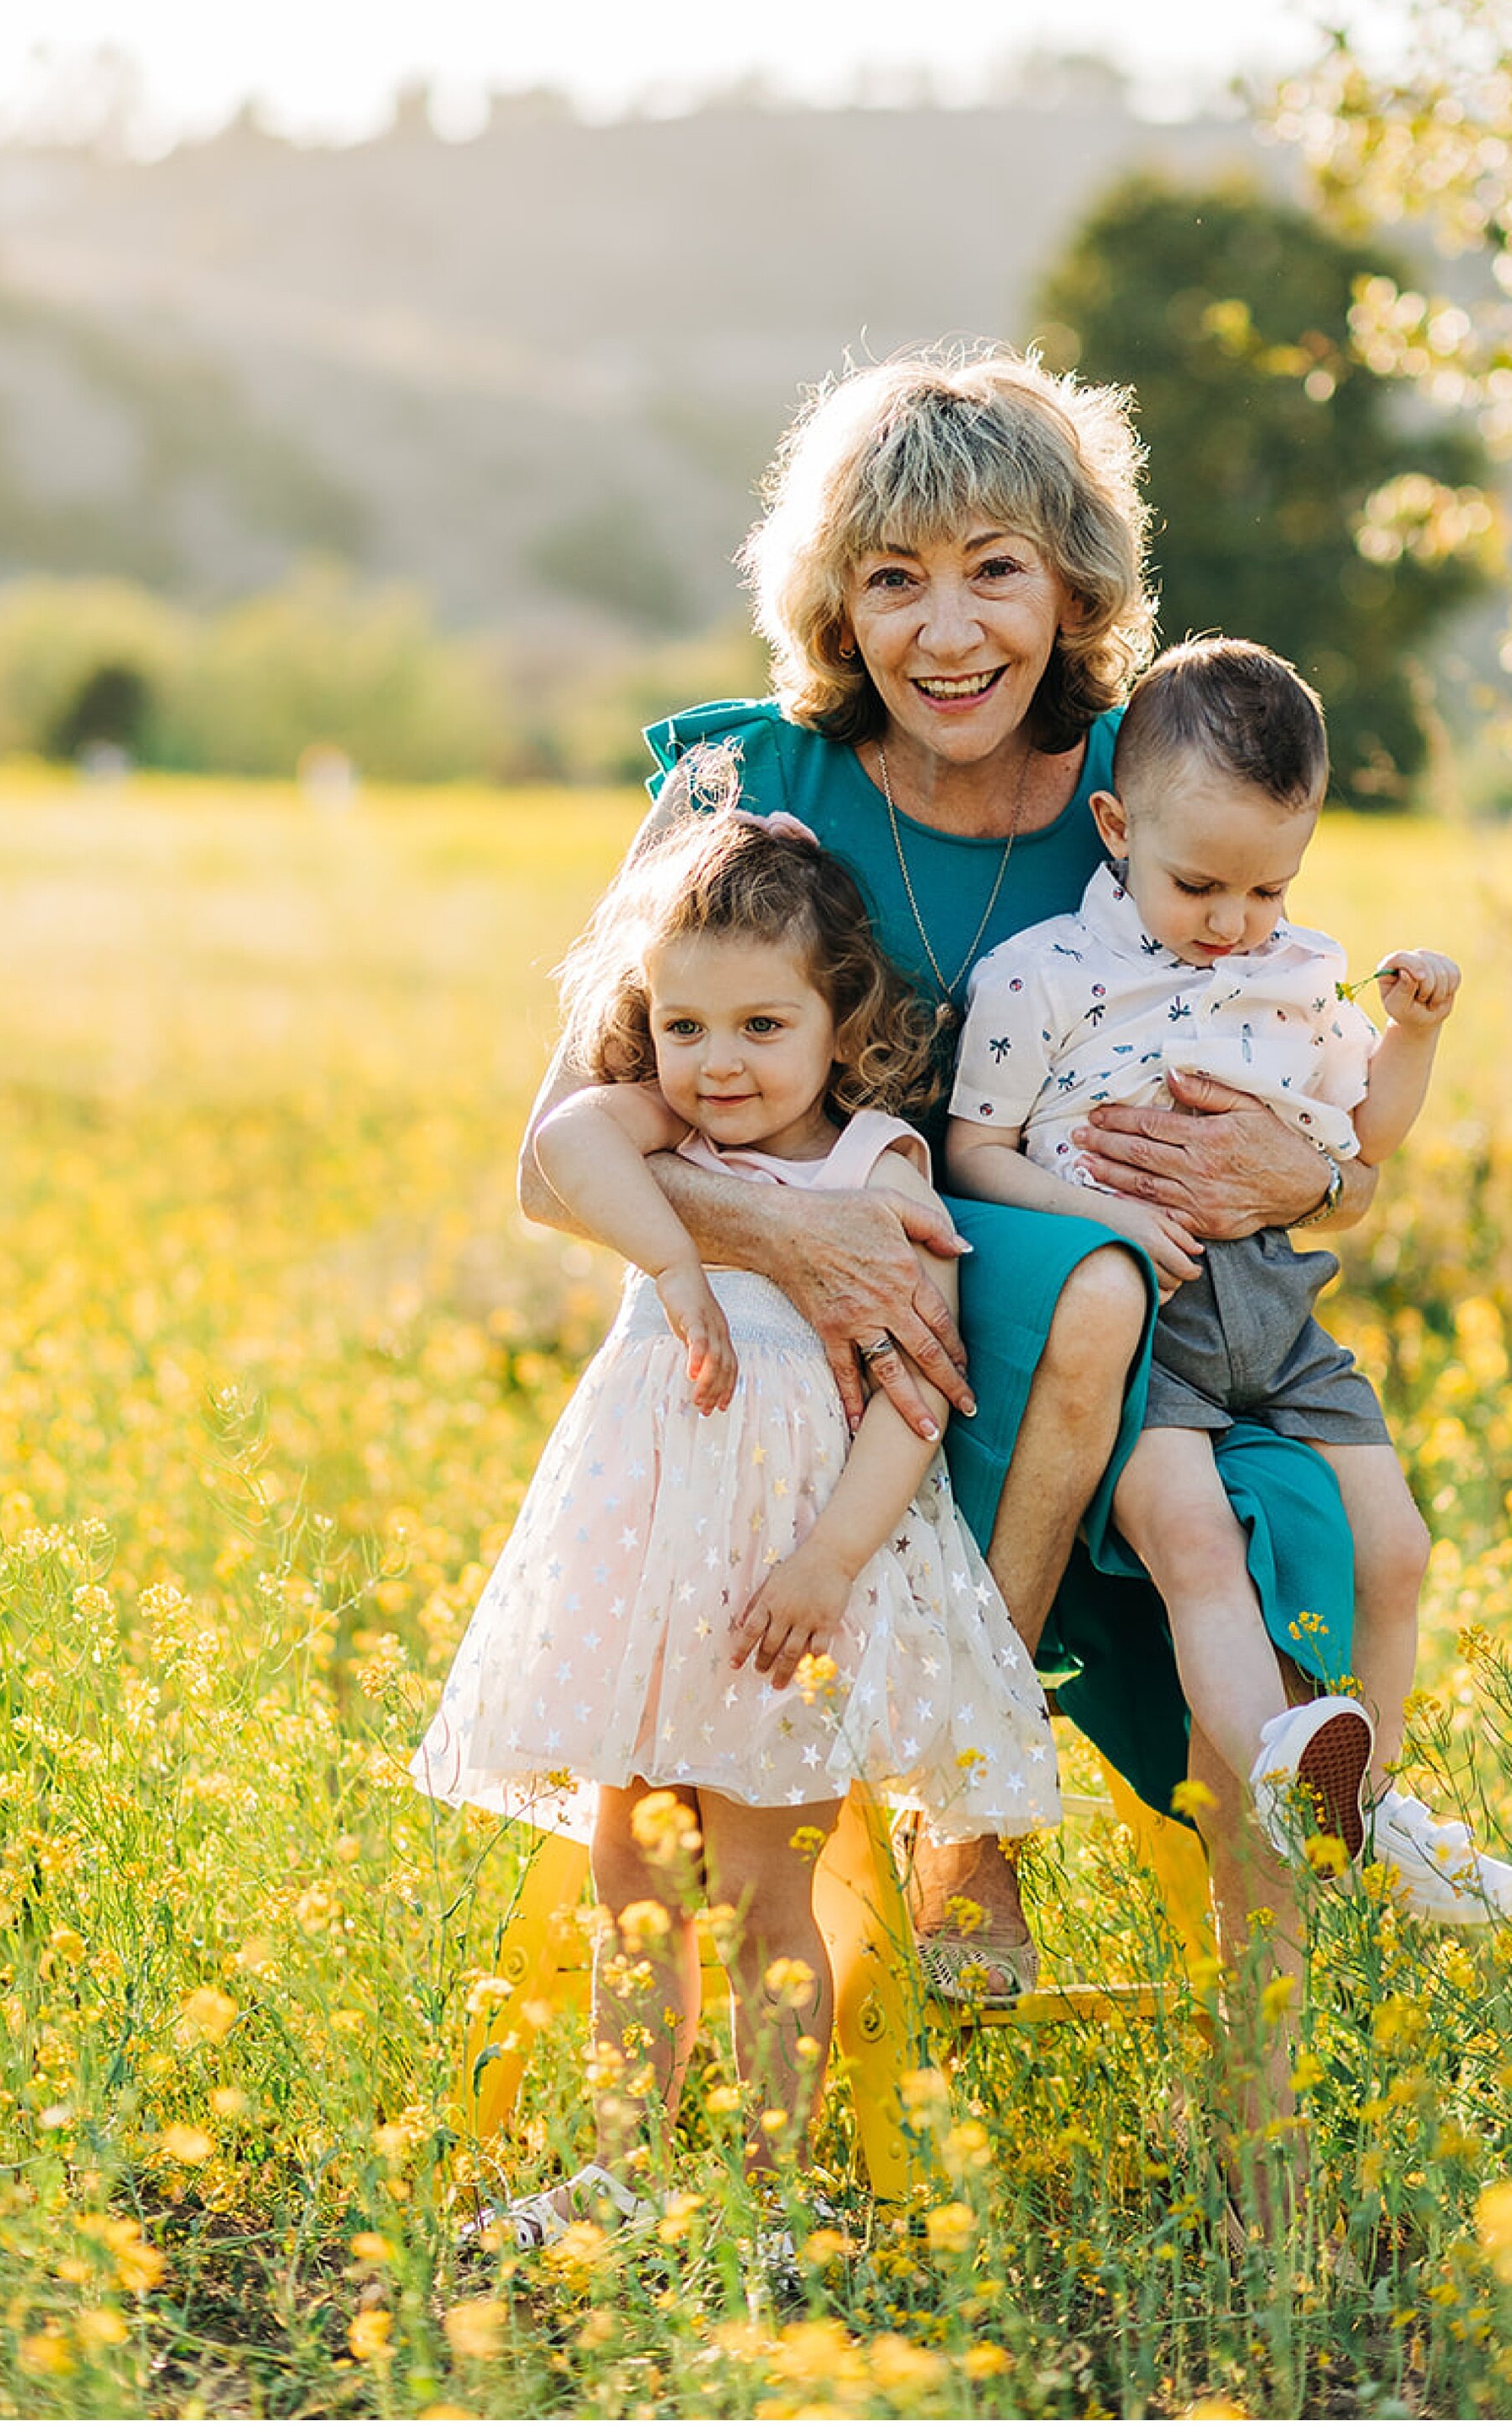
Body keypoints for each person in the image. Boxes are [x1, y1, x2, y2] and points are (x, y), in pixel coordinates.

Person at [519, 350, 1389, 2047]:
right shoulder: (731, 784)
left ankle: (1012, 1842)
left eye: (993, 565)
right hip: (799, 1321)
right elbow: (554, 1151)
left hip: (1114, 1327)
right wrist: (792, 1232)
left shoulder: (1152, 789)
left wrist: (1331, 1170)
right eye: (892, 576)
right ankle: (960, 1799)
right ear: (836, 604)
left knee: (1119, 1318)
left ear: (1071, 581)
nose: (948, 628)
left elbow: (1294, 1096)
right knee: (1079, 1289)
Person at [413, 808, 1059, 2248]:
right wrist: (674, 1263)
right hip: (650, 1583)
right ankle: (626, 2170)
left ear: (843, 1020)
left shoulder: (876, 1168)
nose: (719, 1063)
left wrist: (827, 1562)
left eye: (765, 1024)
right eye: (684, 1026)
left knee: (772, 1896)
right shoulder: (665, 1135)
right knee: (631, 1878)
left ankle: (770, 2194)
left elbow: (917, 1397)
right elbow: (570, 1133)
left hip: (786, 1588)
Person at [948, 635, 1512, 1946]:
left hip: (1280, 1309)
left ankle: (1368, 1804)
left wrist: (1414, 1036)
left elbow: (1364, 1141)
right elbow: (972, 1151)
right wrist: (1103, 1215)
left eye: (1271, 887)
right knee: (1199, 1548)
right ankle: (1282, 1770)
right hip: (1145, 1327)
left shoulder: (1296, 971)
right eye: (1200, 883)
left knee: (1401, 1550)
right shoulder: (1045, 978)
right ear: (1115, 825)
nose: (1234, 922)